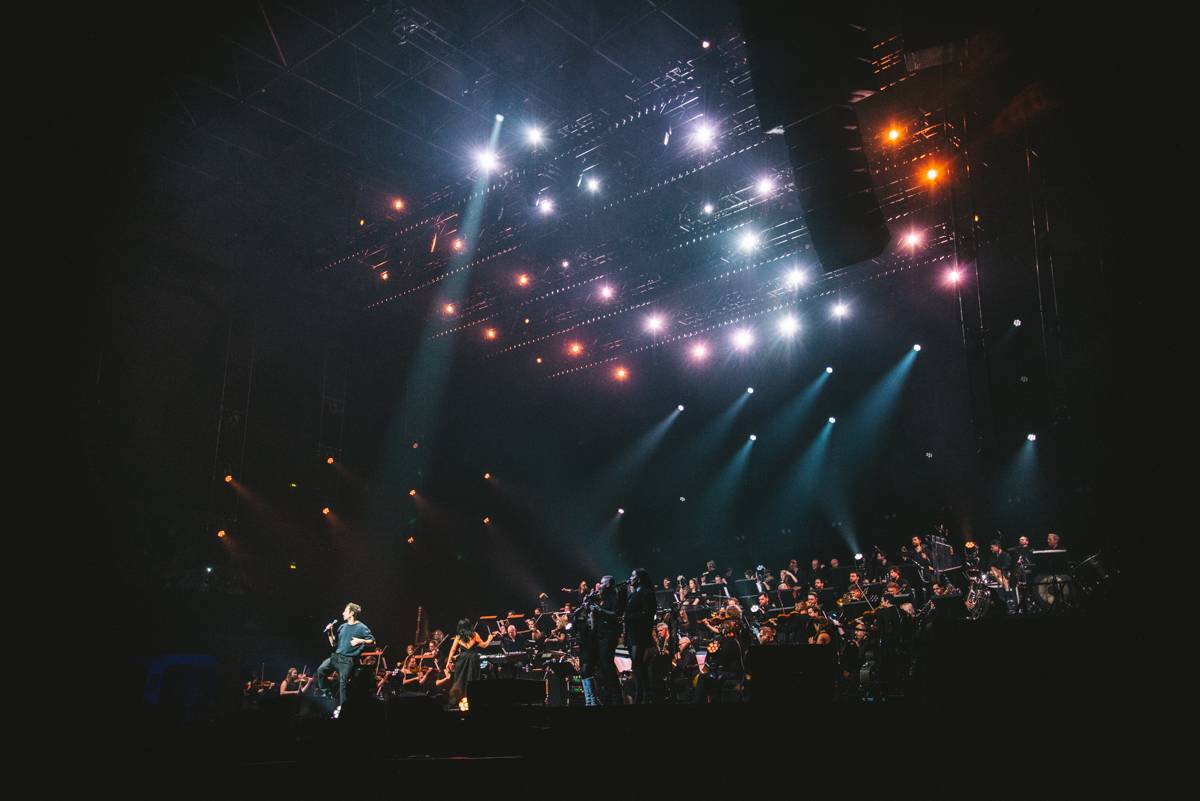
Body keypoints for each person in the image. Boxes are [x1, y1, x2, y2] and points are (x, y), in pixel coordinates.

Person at [316, 602, 375, 718]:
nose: (343, 613)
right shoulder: (342, 626)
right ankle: (328, 693)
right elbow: (334, 643)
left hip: (348, 660)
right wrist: (330, 632)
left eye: (345, 611)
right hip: (336, 656)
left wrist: (360, 640)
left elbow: (372, 641)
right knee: (321, 670)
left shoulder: (362, 627)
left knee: (343, 683)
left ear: (351, 613)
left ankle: (344, 711)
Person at [445, 618, 497, 708]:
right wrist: (490, 638)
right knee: (472, 678)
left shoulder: (458, 636)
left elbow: (453, 650)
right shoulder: (475, 634)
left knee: (460, 679)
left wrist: (448, 661)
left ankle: (459, 700)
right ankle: (472, 700)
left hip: (462, 659)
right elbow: (484, 645)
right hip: (473, 659)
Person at [624, 568, 657, 703]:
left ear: (639, 578)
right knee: (637, 665)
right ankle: (642, 694)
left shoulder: (646, 593)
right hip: (632, 634)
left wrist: (629, 618)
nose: (630, 578)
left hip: (640, 634)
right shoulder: (634, 594)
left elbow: (647, 614)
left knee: (638, 664)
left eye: (633, 576)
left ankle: (645, 694)